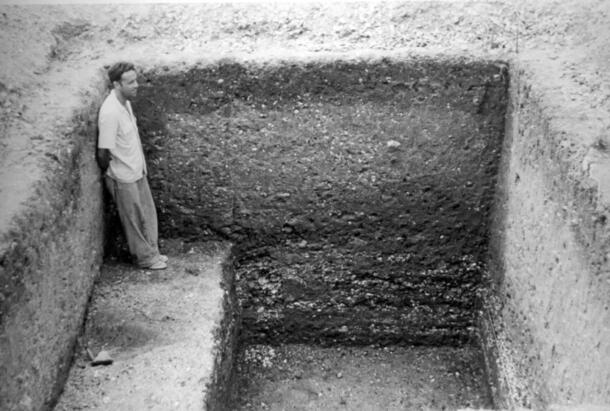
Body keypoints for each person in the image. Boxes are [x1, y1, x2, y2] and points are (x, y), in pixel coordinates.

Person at [97, 61, 168, 270]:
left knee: (146, 213)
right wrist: (113, 173)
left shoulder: (125, 103)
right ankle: (145, 259)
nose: (136, 85)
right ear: (117, 85)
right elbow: (103, 152)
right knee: (134, 220)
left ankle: (152, 253)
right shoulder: (110, 112)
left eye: (135, 80)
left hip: (137, 170)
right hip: (123, 176)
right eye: (130, 82)